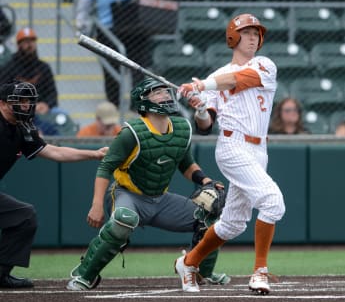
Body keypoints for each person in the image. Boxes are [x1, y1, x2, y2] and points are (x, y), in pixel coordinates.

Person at [66, 77, 229, 291]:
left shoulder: (181, 127)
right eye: (157, 92)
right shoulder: (130, 132)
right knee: (124, 220)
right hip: (128, 194)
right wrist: (96, 204)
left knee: (211, 216)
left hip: (160, 199)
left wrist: (206, 180)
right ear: (144, 102)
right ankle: (84, 275)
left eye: (165, 90)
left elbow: (186, 164)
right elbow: (105, 167)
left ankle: (202, 272)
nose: (165, 94)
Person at [175, 13, 286, 294]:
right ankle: (260, 272)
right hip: (232, 146)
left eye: (256, 33)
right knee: (273, 202)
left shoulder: (264, 65)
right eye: (246, 32)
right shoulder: (215, 77)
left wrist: (200, 86)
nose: (253, 37)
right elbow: (205, 125)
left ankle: (188, 262)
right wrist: (200, 107)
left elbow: (238, 79)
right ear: (232, 37)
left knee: (233, 223)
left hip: (259, 149)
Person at [0, 81, 108, 289]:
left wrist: (94, 154)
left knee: (24, 216)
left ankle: (1, 273)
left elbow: (55, 152)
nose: (25, 106)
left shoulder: (22, 129)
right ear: (3, 104)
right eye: (19, 101)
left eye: (27, 101)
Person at [75, 0, 148, 107]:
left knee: (138, 68)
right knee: (111, 68)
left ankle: (137, 103)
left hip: (137, 27)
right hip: (108, 28)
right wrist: (81, 22)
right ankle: (114, 104)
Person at [0, 27, 66, 135]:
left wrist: (46, 104)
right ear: (19, 45)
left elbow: (53, 94)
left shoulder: (43, 67)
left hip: (41, 110)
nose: (29, 45)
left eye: (32, 41)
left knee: (61, 114)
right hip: (17, 109)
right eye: (25, 42)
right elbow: (2, 92)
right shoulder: (9, 67)